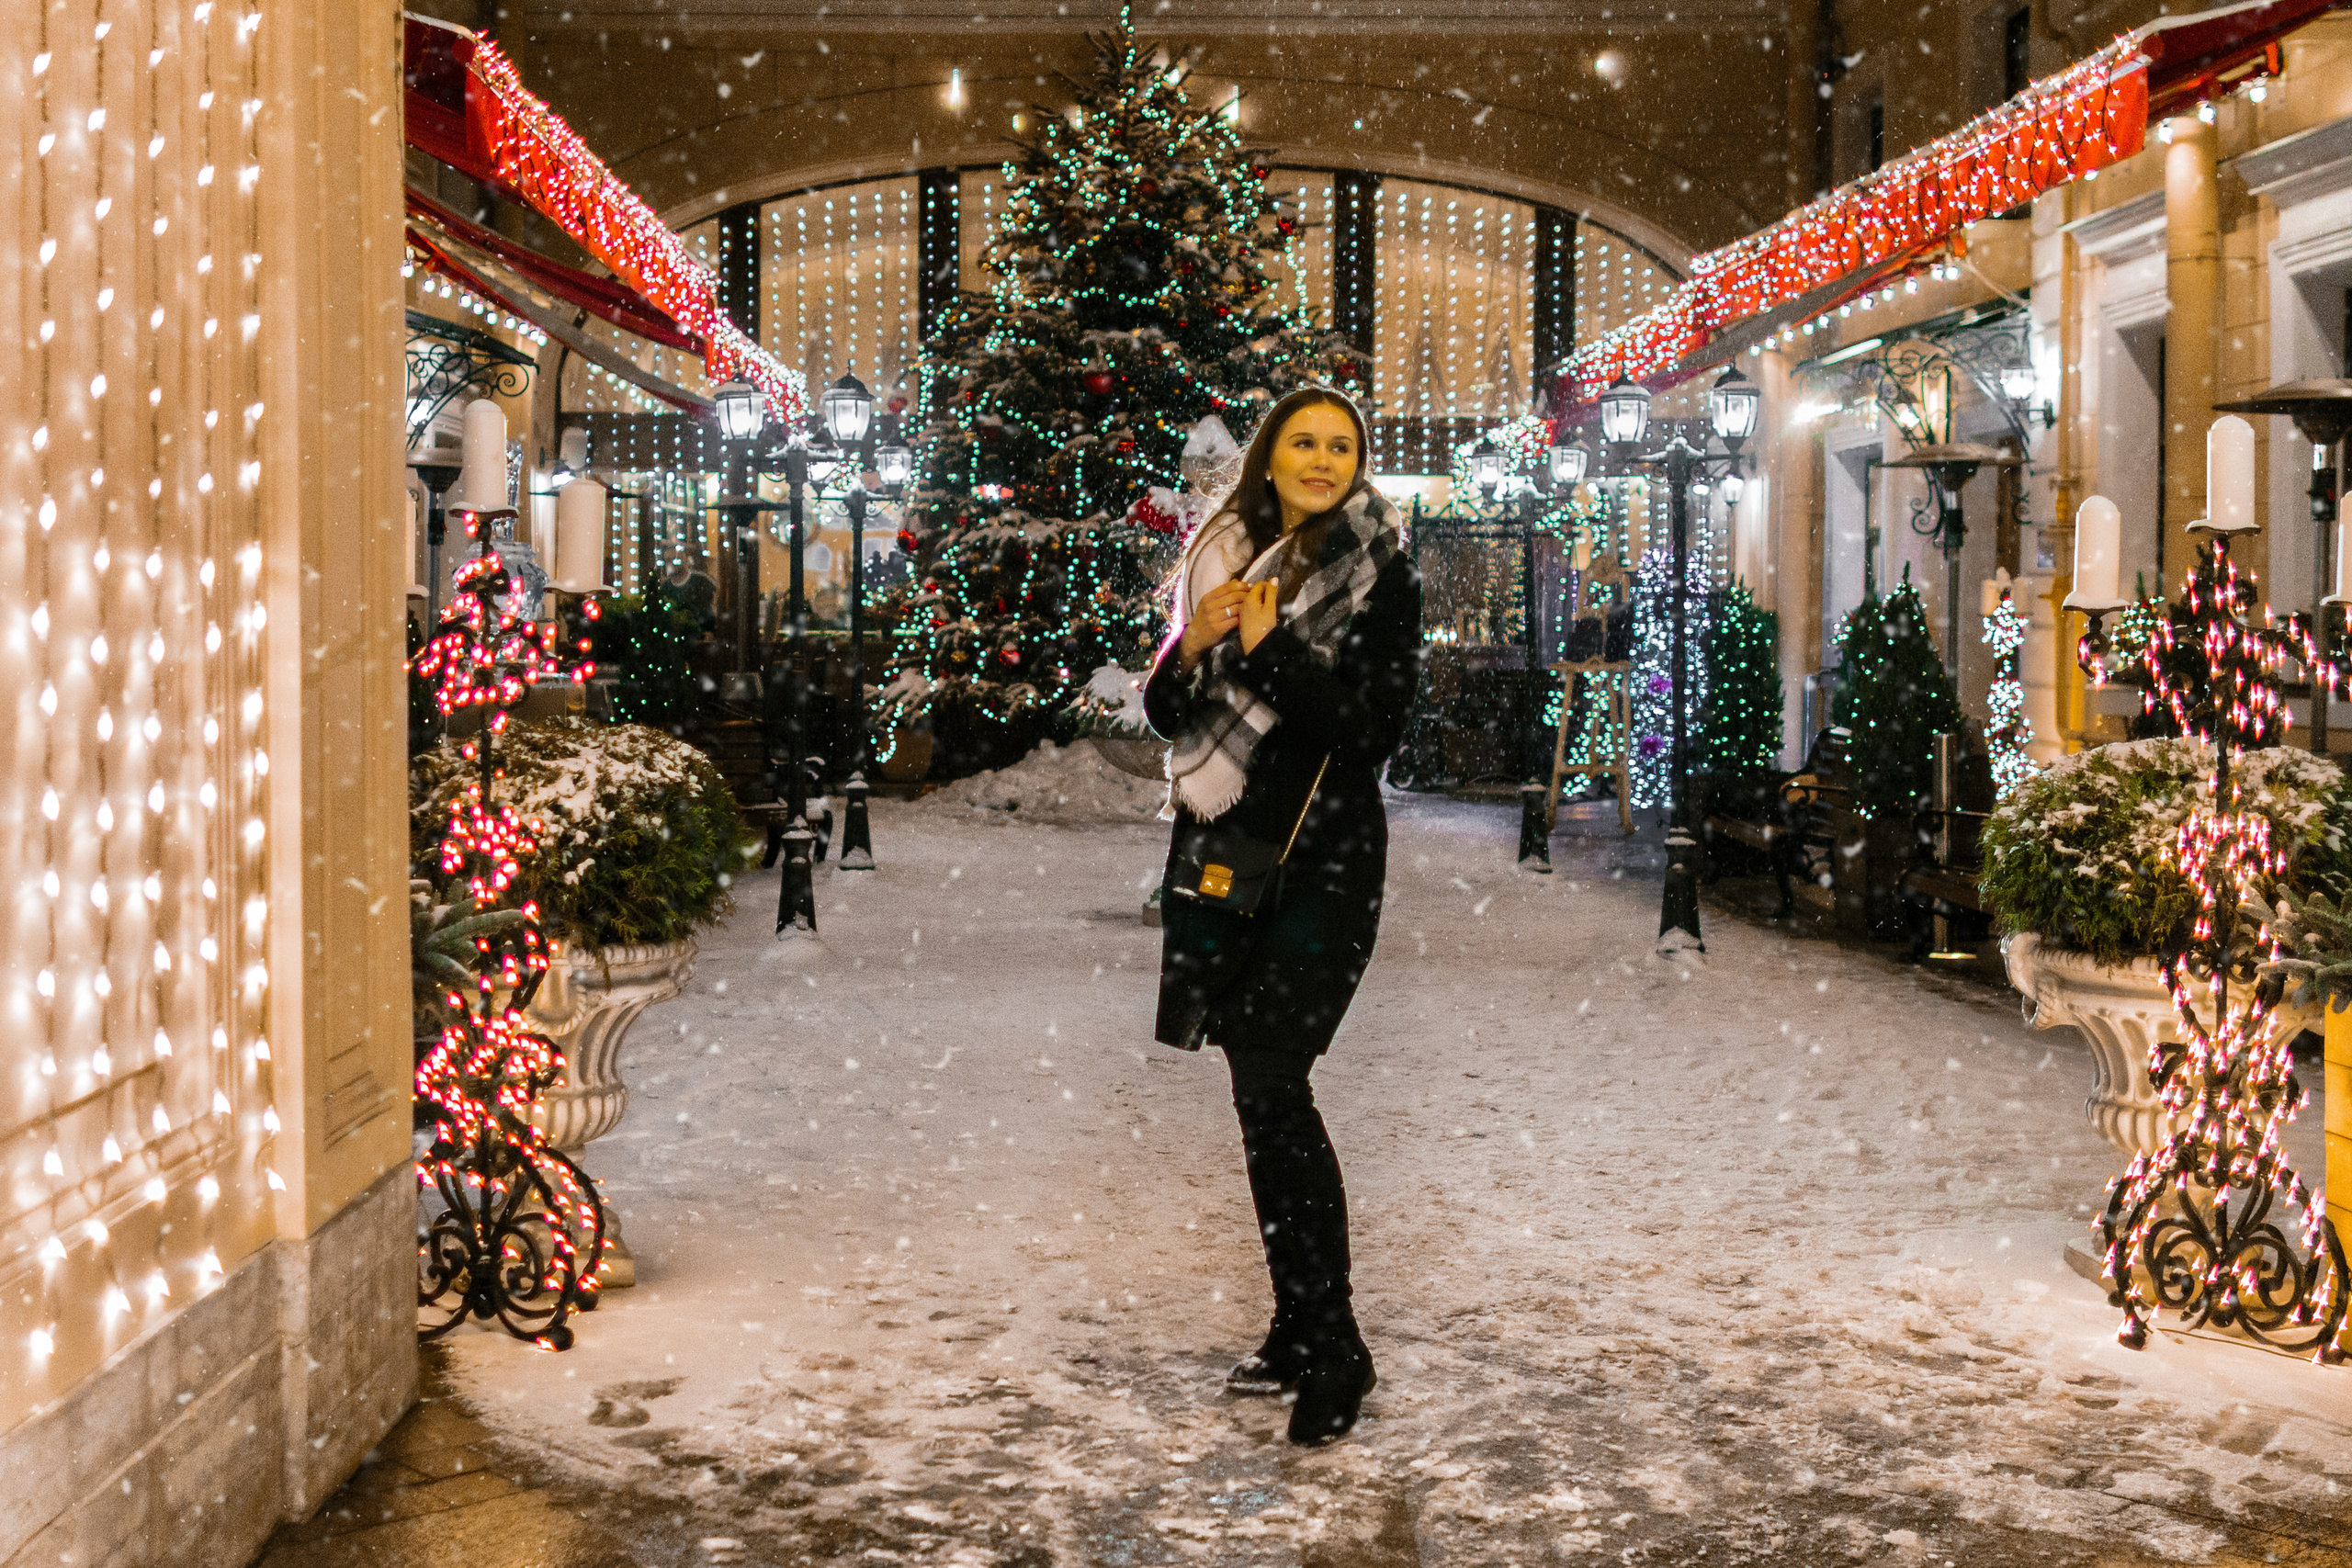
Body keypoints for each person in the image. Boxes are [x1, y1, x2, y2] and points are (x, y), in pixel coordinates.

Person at [1142, 386, 1421, 1446]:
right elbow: (1168, 714)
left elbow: (1369, 727)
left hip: (1328, 863)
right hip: (1227, 857)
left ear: (1357, 463)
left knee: (1272, 1076)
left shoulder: (1380, 573)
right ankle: (1299, 1323)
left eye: (1339, 445)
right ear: (1270, 457)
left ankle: (1337, 1344)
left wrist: (1267, 652)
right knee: (1257, 1096)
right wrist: (1195, 643)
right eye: (1302, 441)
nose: (1320, 459)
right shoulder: (1222, 554)